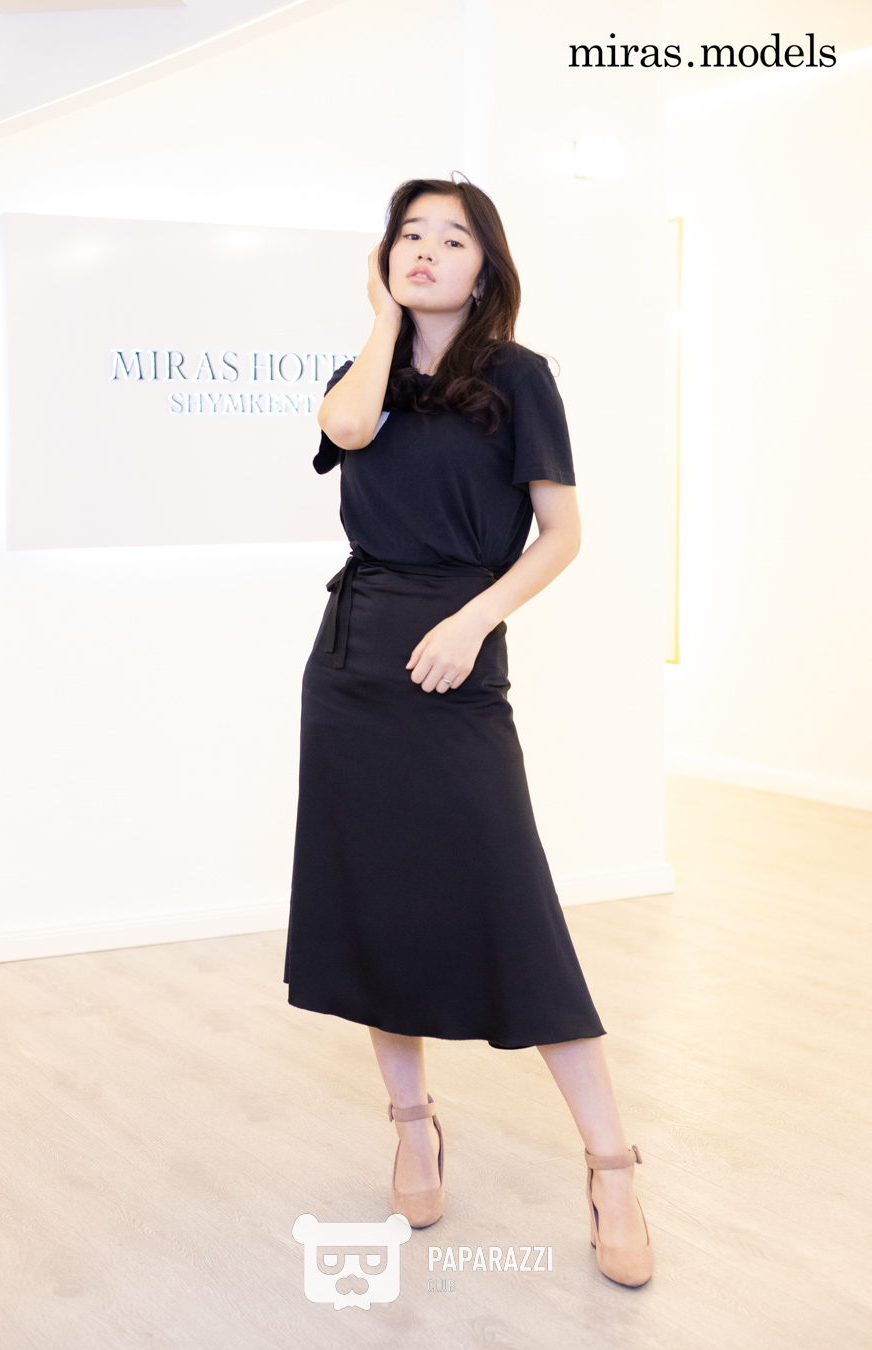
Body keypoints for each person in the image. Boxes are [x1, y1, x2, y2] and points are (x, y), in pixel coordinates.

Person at [283, 175, 654, 1287]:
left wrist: (474, 618)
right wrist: (383, 320)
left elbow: (562, 534)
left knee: (513, 906)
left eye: (452, 239)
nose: (427, 251)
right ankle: (411, 1128)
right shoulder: (363, 375)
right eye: (410, 236)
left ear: (486, 264)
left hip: (457, 654)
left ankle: (613, 1167)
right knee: (373, 905)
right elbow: (350, 429)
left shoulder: (519, 377)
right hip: (353, 664)